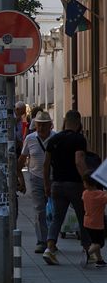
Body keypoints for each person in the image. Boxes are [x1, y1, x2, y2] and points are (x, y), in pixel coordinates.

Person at [42, 109, 91, 265]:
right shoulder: (79, 139)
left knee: (57, 217)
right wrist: (87, 182)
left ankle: (49, 248)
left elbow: (46, 164)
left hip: (57, 184)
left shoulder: (54, 139)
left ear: (65, 121)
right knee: (83, 216)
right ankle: (87, 250)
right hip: (74, 184)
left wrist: (46, 185)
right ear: (78, 122)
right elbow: (79, 161)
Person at [17, 110, 53, 253]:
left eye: (45, 125)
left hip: (53, 179)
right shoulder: (30, 139)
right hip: (36, 178)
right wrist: (21, 179)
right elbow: (22, 159)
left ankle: (51, 240)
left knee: (53, 212)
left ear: (50, 125)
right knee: (39, 211)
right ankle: (42, 241)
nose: (42, 128)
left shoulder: (55, 137)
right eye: (39, 125)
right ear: (35, 125)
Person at [82, 173, 107, 267]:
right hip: (97, 223)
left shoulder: (85, 193)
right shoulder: (101, 195)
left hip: (87, 222)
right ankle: (88, 253)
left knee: (94, 241)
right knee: (100, 243)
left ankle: (99, 260)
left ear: (87, 184)